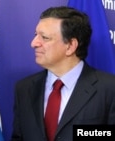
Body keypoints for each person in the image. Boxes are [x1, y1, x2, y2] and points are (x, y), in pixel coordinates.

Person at [11, 6, 115, 141]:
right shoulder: (24, 89)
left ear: (70, 46)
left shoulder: (109, 89)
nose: (34, 43)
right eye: (35, 35)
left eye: (44, 37)